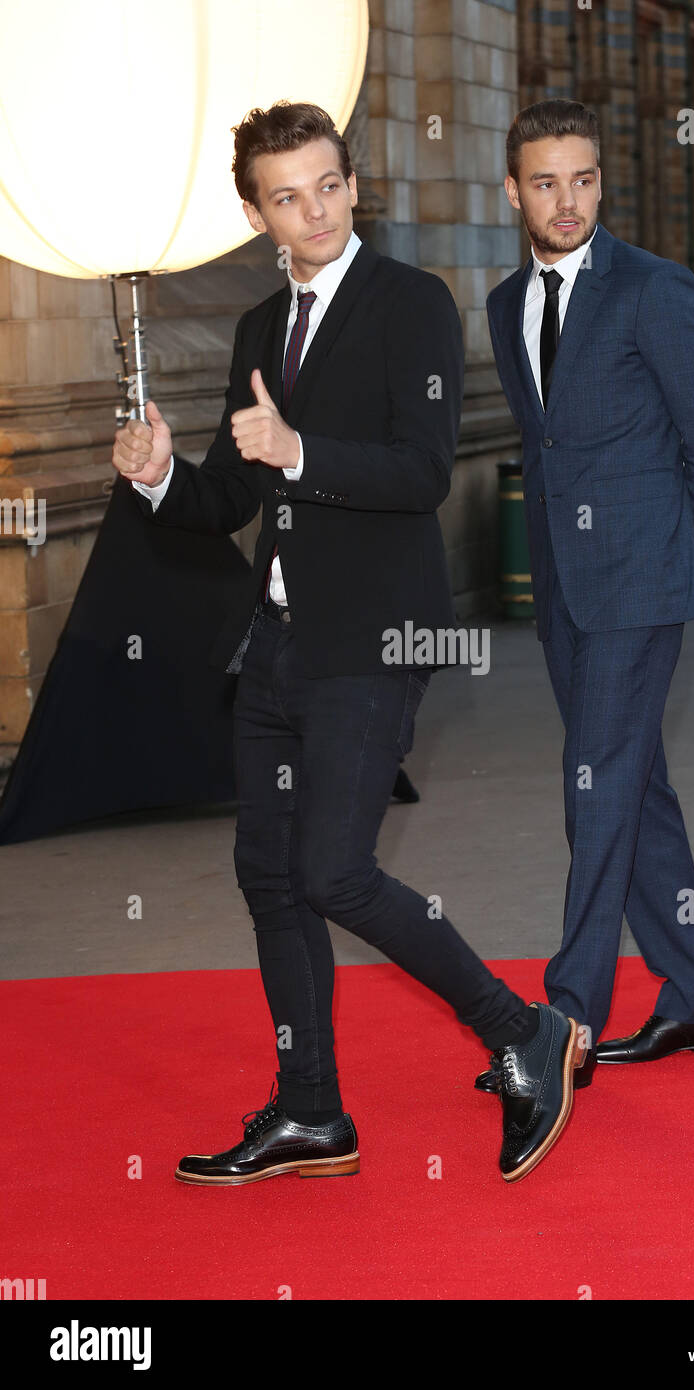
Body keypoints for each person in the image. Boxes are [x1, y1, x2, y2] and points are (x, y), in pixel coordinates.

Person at [111, 101, 585, 1185]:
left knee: (333, 868)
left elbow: (421, 471)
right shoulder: (255, 330)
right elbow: (236, 487)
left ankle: (523, 1031)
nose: (315, 210)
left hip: (375, 636)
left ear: (352, 183)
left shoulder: (408, 303)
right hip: (275, 641)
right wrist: (159, 478)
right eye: (288, 196)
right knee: (269, 875)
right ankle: (311, 1109)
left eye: (329, 185)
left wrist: (300, 448)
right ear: (255, 213)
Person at [476, 99, 694, 1098]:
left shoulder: (652, 289)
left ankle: (568, 1019)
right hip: (564, 586)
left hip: (641, 579)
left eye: (584, 179)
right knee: (636, 786)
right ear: (515, 191)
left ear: (603, 179)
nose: (568, 200)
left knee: (591, 782)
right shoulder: (506, 307)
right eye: (546, 182)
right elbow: (545, 453)